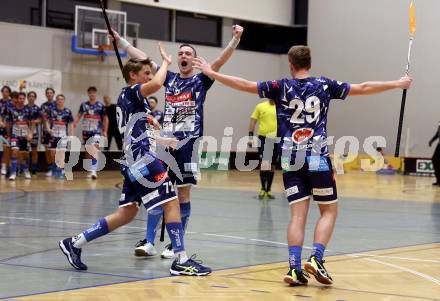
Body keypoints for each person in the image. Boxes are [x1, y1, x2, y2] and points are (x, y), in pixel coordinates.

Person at [192, 45, 412, 286]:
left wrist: (212, 73)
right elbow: (364, 87)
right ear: (310, 62)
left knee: (297, 216)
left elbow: (244, 84)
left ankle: (295, 268)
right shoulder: (325, 85)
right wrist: (397, 83)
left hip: (290, 158)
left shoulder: (280, 86)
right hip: (316, 156)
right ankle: (317, 259)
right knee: (328, 210)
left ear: (290, 64)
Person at [59, 43, 211, 276]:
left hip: (133, 160)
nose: (150, 76)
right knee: (171, 202)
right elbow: (159, 83)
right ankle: (181, 259)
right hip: (142, 160)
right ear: (133, 75)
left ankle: (75, 242)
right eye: (146, 73)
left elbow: (137, 133)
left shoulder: (132, 100)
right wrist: (167, 64)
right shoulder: (131, 92)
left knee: (127, 213)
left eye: (151, 73)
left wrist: (162, 140)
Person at [110, 25, 244, 258]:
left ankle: (175, 244)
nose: (183, 56)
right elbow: (141, 58)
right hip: (165, 143)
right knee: (156, 191)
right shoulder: (169, 79)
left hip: (188, 144)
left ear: (194, 60)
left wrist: (235, 39)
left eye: (187, 54)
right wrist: (120, 40)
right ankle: (149, 242)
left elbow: (221, 60)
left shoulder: (202, 80)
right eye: (180, 53)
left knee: (182, 196)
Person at [73, 86, 108, 179]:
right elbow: (79, 115)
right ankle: (89, 170)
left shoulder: (100, 105)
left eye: (93, 92)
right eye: (90, 93)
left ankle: (94, 170)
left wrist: (105, 131)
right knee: (87, 151)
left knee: (94, 149)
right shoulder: (84, 105)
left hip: (96, 131)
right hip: (86, 131)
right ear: (88, 94)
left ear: (95, 94)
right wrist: (74, 123)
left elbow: (105, 118)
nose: (92, 94)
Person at [248, 99, 278, 200]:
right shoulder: (260, 106)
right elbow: (253, 121)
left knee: (272, 165)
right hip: (263, 138)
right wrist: (250, 137)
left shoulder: (281, 107)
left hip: (276, 139)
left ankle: (268, 190)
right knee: (264, 163)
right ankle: (262, 189)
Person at [2, 92, 35, 180]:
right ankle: (13, 173)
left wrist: (31, 134)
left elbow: (32, 123)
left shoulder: (29, 110)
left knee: (24, 155)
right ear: (17, 99)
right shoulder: (11, 110)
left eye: (23, 98)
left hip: (25, 136)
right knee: (14, 151)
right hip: (15, 135)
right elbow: (8, 124)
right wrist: (9, 136)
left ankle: (26, 170)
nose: (21, 100)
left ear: (25, 99)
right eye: (19, 98)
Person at [46, 94, 74, 179]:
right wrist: (48, 129)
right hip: (53, 135)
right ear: (56, 101)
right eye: (58, 99)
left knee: (61, 154)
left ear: (64, 101)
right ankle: (54, 168)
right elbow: (46, 121)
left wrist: (71, 135)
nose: (60, 101)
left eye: (61, 99)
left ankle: (61, 170)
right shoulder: (51, 110)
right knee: (53, 153)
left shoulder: (68, 111)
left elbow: (71, 124)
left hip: (63, 136)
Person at [40, 88, 56, 177]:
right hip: (46, 131)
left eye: (51, 93)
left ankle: (56, 168)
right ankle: (50, 168)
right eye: (48, 93)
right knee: (47, 150)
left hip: (56, 131)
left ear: (53, 94)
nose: (49, 94)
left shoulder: (57, 104)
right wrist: (47, 128)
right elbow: (43, 118)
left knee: (55, 151)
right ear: (46, 95)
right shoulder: (43, 105)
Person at [26, 91, 41, 175]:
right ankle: (25, 167)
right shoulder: (24, 108)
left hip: (34, 132)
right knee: (25, 151)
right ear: (27, 97)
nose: (31, 97)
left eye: (33, 96)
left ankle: (34, 168)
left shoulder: (38, 108)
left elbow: (40, 119)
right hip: (24, 132)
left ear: (35, 98)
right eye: (30, 96)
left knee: (34, 150)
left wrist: (34, 121)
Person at [0, 86, 12, 176]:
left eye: (7, 91)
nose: (5, 93)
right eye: (3, 91)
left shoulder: (12, 102)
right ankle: (3, 166)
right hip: (1, 128)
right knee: (1, 148)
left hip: (11, 129)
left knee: (8, 149)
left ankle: (6, 166)